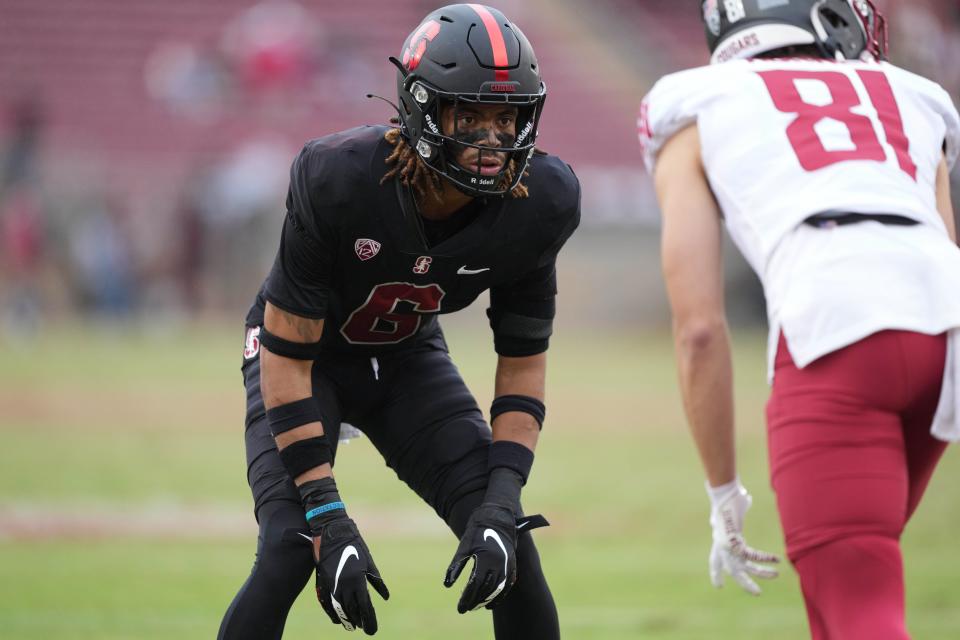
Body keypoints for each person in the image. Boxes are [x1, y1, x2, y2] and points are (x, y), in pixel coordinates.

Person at [217, 4, 579, 638]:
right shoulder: (339, 178)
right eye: (469, 115)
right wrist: (327, 515)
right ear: (421, 108)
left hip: (406, 355)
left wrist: (500, 501)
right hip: (304, 359)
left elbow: (523, 361)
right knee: (289, 547)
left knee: (511, 549)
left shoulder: (539, 204)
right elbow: (285, 353)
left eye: (506, 117)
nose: (492, 140)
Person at [639, 1, 960, 638]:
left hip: (835, 329)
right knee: (842, 595)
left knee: (859, 608)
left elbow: (699, 327)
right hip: (943, 331)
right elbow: (944, 247)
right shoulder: (914, 94)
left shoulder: (694, 105)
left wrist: (723, 493)